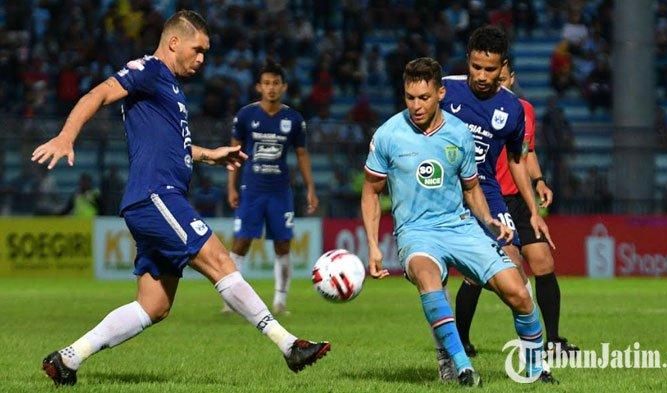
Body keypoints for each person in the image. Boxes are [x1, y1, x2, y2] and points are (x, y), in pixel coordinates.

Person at [32, 11, 329, 387]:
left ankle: (68, 359)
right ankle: (289, 345)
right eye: (198, 49)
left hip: (151, 200)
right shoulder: (150, 70)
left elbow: (171, 147)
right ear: (174, 42)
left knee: (154, 306)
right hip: (156, 196)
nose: (202, 59)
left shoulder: (169, 87)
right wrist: (66, 135)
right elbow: (99, 93)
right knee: (220, 259)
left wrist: (211, 154)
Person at [362, 57, 554, 387]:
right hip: (416, 232)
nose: (416, 106)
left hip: (460, 226)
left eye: (423, 98)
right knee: (428, 278)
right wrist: (372, 247)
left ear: (440, 93)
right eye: (410, 98)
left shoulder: (459, 133)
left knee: (519, 293)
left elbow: (472, 189)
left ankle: (537, 369)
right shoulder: (388, 135)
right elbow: (370, 193)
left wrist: (490, 222)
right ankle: (463, 367)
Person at [439, 25, 554, 364]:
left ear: (503, 66)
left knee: (516, 271)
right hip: (444, 193)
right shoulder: (445, 90)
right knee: (434, 275)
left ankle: (535, 362)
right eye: (476, 67)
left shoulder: (512, 108)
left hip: (487, 193)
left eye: (490, 69)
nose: (483, 75)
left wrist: (533, 210)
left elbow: (517, 160)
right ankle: (450, 355)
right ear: (468, 62)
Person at [495, 61, 579, 354]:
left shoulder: (524, 110)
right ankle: (462, 342)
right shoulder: (479, 111)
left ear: (512, 78)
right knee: (481, 275)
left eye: (504, 79)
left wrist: (540, 181)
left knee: (543, 261)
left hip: (520, 199)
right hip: (492, 200)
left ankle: (553, 341)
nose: (500, 85)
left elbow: (526, 152)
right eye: (496, 79)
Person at [223, 60, 318, 315]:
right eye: (266, 83)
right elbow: (233, 153)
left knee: (283, 245)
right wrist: (231, 186)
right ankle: (230, 300)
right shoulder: (246, 116)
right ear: (258, 87)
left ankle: (280, 301)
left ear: (283, 87)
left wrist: (310, 187)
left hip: (280, 192)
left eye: (276, 83)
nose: (271, 88)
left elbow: (301, 155)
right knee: (241, 242)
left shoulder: (293, 119)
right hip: (251, 190)